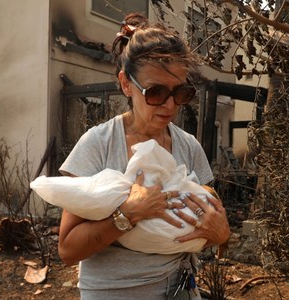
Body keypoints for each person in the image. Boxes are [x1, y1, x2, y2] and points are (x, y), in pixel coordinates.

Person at [57, 13, 231, 299]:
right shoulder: (98, 144)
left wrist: (223, 236)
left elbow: (206, 223)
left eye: (181, 92)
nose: (170, 105)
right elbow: (67, 250)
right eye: (156, 92)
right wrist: (128, 214)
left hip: (182, 290)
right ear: (126, 84)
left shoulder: (188, 146)